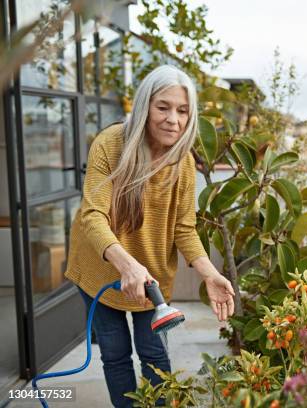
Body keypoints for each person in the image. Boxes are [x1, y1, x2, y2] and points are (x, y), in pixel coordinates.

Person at [64, 65, 235, 407]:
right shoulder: (110, 145)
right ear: (145, 106)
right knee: (114, 354)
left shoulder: (182, 162)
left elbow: (184, 228)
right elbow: (92, 215)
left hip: (152, 275)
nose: (174, 119)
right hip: (100, 270)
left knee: (154, 354)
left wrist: (210, 273)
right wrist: (127, 266)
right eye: (163, 107)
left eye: (182, 111)